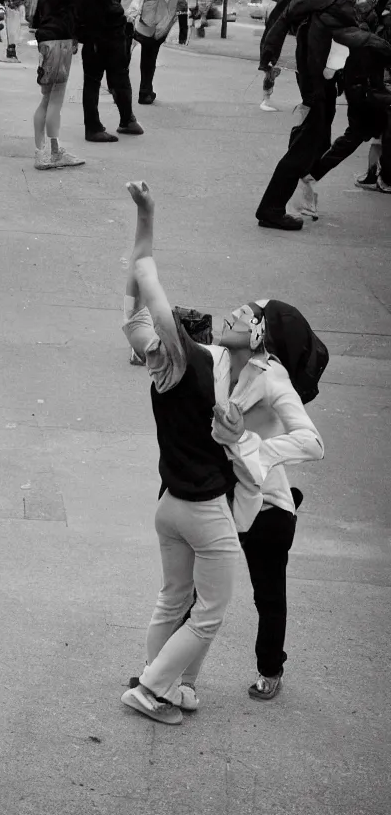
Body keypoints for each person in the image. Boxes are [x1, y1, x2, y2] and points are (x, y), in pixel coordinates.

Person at [120, 180, 265, 725]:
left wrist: (146, 220)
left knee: (172, 597)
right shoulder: (212, 368)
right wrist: (149, 222)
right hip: (205, 510)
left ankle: (168, 681)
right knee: (208, 614)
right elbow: (149, 287)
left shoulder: (163, 366)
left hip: (170, 506)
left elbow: (139, 287)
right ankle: (153, 689)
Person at [216, 299, 325, 700]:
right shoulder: (221, 361)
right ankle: (162, 671)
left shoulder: (271, 376)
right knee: (189, 589)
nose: (234, 314)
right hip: (221, 499)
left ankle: (270, 669)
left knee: (268, 595)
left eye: (247, 314)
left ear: (261, 332)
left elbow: (312, 443)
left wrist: (256, 451)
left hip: (267, 508)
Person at [255, 0, 391, 230]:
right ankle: (271, 209)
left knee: (312, 145)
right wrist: (382, 45)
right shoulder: (325, 7)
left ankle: (291, 198)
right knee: (303, 150)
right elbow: (349, 35)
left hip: (317, 86)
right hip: (318, 87)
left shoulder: (309, 6)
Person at [303, 6, 391, 210]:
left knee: (364, 137)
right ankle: (310, 175)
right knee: (354, 139)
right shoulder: (370, 40)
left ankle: (373, 175)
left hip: (360, 93)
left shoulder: (351, 33)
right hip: (368, 95)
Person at [73, 0, 143, 142]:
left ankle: (94, 127)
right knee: (120, 80)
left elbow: (78, 14)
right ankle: (126, 120)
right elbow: (115, 9)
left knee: (92, 83)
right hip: (112, 40)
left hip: (93, 42)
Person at [31, 0, 84, 170]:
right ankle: (49, 153)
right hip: (59, 43)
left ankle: (46, 151)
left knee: (47, 98)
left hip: (47, 41)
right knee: (54, 100)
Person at [125, 0, 189, 105]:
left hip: (142, 29)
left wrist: (130, 21)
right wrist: (183, 36)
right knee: (149, 61)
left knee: (141, 59)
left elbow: (136, 5)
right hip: (156, 33)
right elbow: (183, 14)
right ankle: (145, 91)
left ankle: (142, 90)